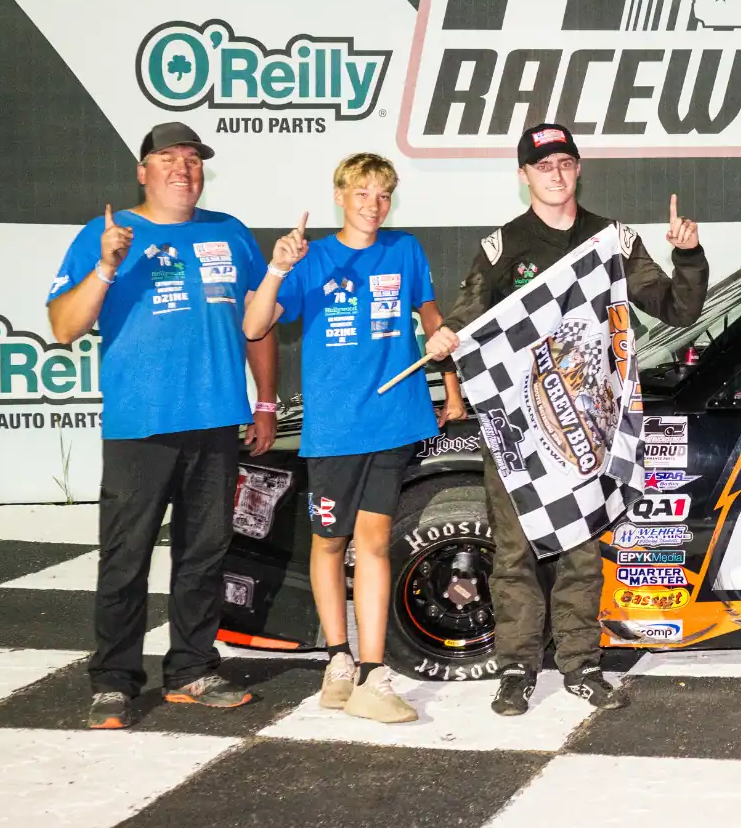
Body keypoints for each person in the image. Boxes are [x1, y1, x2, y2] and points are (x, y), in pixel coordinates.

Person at [423, 123, 708, 716]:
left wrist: (688, 254)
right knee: (515, 551)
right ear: (524, 175)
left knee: (581, 545)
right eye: (542, 164)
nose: (555, 173)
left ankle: (581, 665)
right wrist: (449, 331)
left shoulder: (611, 240)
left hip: (587, 424)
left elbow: (678, 309)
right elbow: (469, 317)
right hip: (518, 427)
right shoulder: (504, 246)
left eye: (565, 163)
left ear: (578, 169)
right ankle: (517, 669)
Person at [46, 122, 278, 729]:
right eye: (168, 158)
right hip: (139, 427)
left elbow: (259, 321)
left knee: (204, 555)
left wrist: (267, 402)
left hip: (218, 422)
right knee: (125, 558)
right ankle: (113, 681)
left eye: (193, 159)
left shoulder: (229, 233)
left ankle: (192, 670)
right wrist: (104, 267)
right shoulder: (108, 235)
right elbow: (64, 328)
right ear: (142, 171)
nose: (184, 168)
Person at [242, 153, 466, 724]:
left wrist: (446, 362)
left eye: (383, 194)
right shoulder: (312, 258)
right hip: (336, 428)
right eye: (362, 193)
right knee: (329, 542)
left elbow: (433, 318)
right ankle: (337, 661)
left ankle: (372, 671)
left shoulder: (405, 250)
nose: (374, 204)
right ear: (341, 196)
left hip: (394, 419)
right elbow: (254, 326)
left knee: (373, 539)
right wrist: (276, 269)